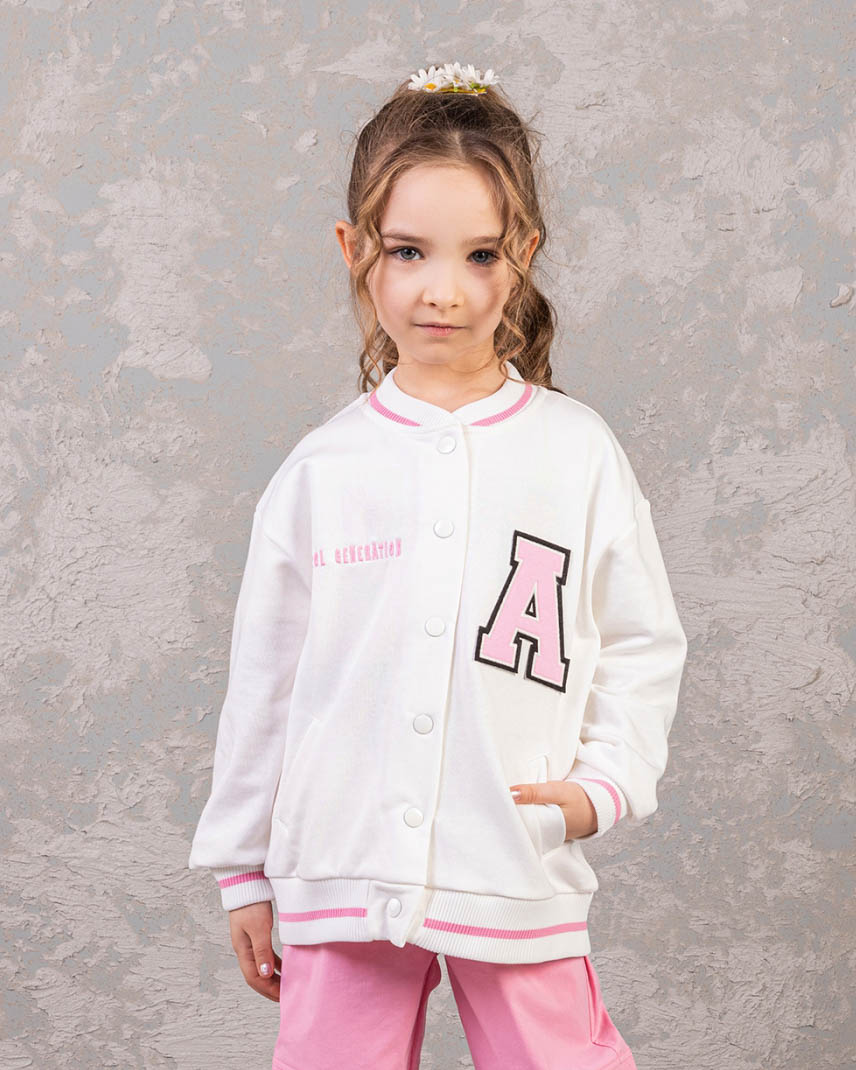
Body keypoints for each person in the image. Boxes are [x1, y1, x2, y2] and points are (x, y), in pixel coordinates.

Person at [188, 60, 688, 1070]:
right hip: (338, 858)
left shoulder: (575, 452)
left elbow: (642, 641)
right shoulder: (322, 469)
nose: (441, 290)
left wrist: (603, 785)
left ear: (524, 255)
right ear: (354, 250)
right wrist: (243, 865)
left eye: (480, 254)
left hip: (513, 855)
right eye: (408, 251)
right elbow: (266, 682)